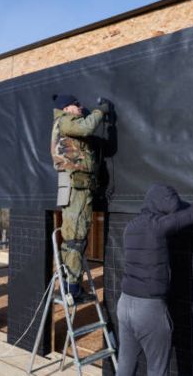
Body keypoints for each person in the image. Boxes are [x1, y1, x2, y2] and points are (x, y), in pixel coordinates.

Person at [117, 169, 193, 376]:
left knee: (125, 364)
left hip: (124, 304)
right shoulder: (158, 227)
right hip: (148, 309)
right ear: (161, 204)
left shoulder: (130, 227)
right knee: (158, 369)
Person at [51, 94, 110, 298]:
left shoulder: (62, 124)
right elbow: (86, 127)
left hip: (70, 185)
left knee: (70, 238)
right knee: (76, 237)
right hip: (77, 187)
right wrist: (100, 111)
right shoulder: (66, 120)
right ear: (67, 107)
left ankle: (69, 286)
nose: (80, 108)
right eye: (77, 106)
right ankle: (73, 289)